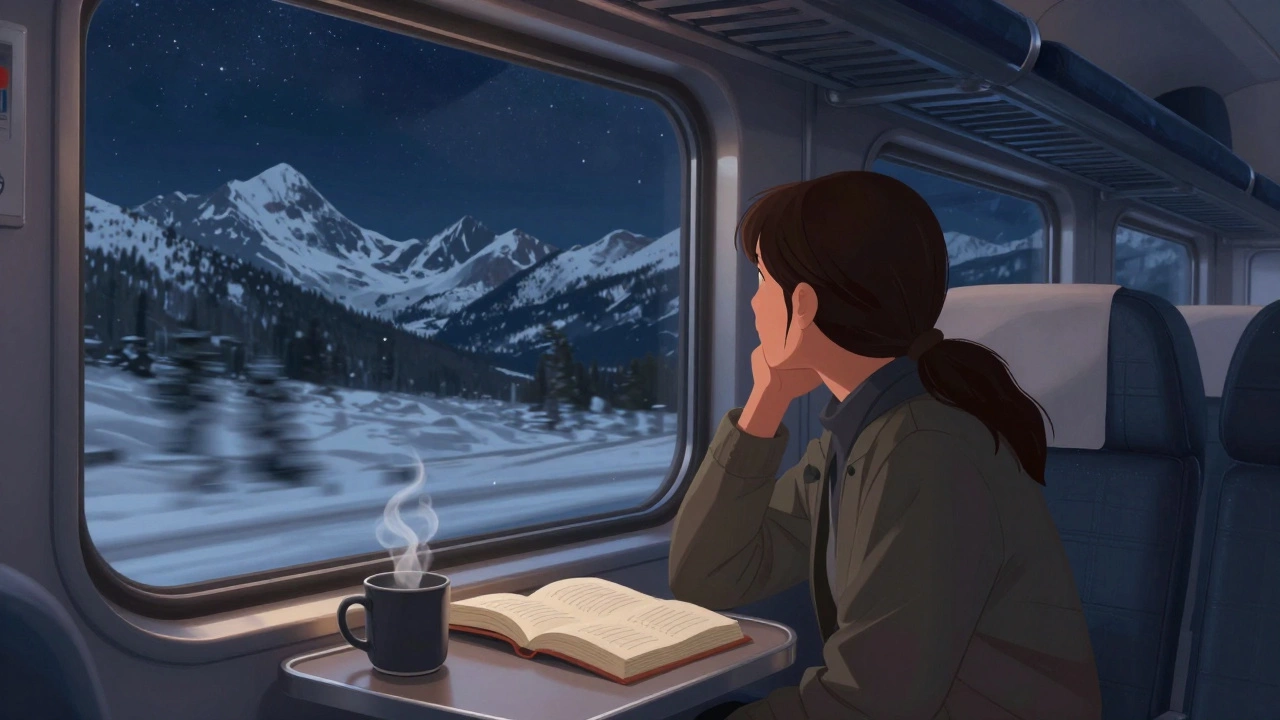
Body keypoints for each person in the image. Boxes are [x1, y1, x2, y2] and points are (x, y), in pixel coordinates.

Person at [670, 171, 1102, 720]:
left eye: (760, 279)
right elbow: (709, 574)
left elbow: (872, 703)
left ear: (802, 305)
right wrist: (767, 398)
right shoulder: (853, 444)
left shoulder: (927, 452)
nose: (754, 304)